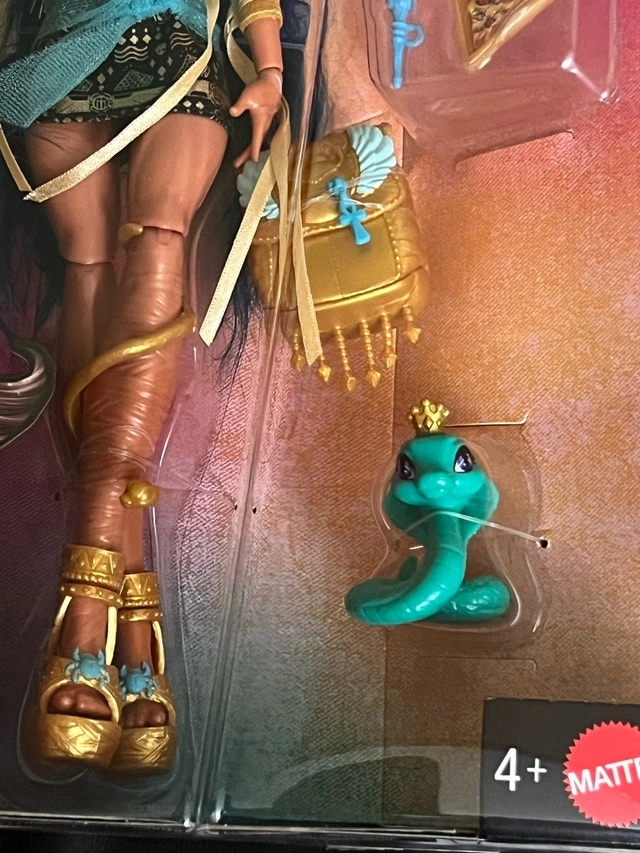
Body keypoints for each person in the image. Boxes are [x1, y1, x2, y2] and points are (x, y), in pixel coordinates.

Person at [0, 0, 283, 774]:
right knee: (87, 270)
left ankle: (85, 615)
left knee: (157, 240)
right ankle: (134, 632)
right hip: (58, 65)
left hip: (176, 59)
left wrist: (269, 69)